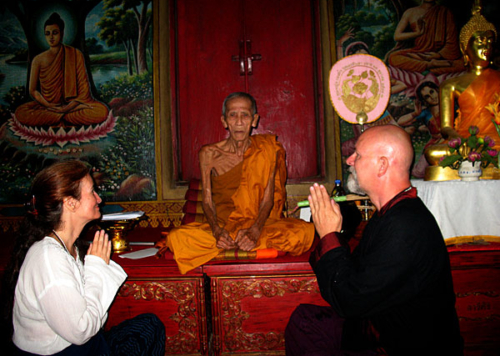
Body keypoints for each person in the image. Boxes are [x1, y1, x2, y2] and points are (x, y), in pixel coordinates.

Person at [285, 125, 463, 355]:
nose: (349, 161)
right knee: (305, 320)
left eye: (357, 155)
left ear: (382, 165)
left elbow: (348, 299)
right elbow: (357, 276)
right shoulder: (392, 213)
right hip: (380, 328)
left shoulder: (405, 226)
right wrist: (335, 231)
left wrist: (329, 235)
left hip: (405, 346)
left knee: (307, 325)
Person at [2, 160, 165, 355]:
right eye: (91, 192)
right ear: (70, 203)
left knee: (149, 326)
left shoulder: (69, 247)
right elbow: (80, 332)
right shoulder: (48, 258)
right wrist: (96, 268)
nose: (99, 199)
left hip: (85, 345)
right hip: (67, 352)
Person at [157, 92, 315, 274]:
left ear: (254, 120)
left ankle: (236, 243)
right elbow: (207, 202)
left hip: (260, 226)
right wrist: (217, 231)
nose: (239, 122)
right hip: (224, 227)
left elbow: (267, 201)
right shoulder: (209, 154)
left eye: (245, 115)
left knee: (303, 232)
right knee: (177, 237)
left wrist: (254, 230)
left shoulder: (267, 149)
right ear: (224, 121)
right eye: (233, 115)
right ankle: (231, 242)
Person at [424, 0, 500, 177]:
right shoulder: (451, 84)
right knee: (432, 153)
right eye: (480, 41)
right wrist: (462, 141)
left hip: (495, 143)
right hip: (467, 143)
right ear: (465, 47)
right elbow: (446, 128)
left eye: (490, 42)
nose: (486, 47)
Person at [14, 12, 110, 128]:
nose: (51, 37)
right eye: (47, 34)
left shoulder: (75, 54)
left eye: (55, 33)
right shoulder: (38, 60)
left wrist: (66, 108)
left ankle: (57, 119)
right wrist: (49, 106)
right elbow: (33, 91)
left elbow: (84, 92)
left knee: (101, 111)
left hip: (71, 107)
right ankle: (64, 120)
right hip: (47, 106)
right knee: (21, 113)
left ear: (62, 33)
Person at [387, 0, 464, 75]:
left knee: (462, 64)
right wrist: (417, 34)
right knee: (393, 57)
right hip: (419, 53)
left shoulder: (445, 12)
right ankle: (430, 65)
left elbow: (452, 44)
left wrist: (438, 54)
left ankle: (431, 66)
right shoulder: (410, 12)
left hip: (438, 55)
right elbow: (397, 36)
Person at [397, 80, 443, 177]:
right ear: (424, 101)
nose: (432, 97)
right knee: (417, 172)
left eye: (432, 92)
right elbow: (400, 122)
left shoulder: (452, 107)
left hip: (450, 143)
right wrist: (415, 114)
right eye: (427, 97)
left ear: (437, 90)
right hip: (434, 144)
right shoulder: (426, 113)